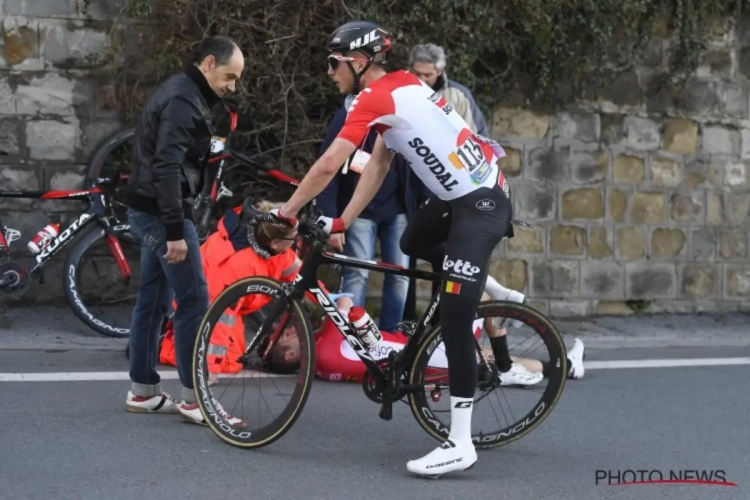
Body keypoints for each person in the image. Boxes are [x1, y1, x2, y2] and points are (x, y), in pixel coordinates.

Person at [271, 20, 516, 476]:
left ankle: (460, 442)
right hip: (454, 200)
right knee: (412, 240)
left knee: (457, 318)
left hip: (481, 205)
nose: (329, 72)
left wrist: (286, 212)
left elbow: (329, 164)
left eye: (333, 63)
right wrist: (343, 219)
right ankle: (469, 277)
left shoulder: (376, 97)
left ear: (358, 62)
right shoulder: (399, 86)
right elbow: (379, 164)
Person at [123, 35, 245, 420]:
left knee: (153, 298)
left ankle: (142, 391)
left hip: (149, 209)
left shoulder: (182, 92)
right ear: (208, 63)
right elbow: (167, 167)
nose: (232, 86)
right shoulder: (182, 100)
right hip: (164, 215)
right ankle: (197, 399)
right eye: (229, 76)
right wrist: (175, 230)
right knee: (193, 301)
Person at [316, 95, 430, 333]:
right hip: (359, 214)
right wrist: (332, 219)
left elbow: (420, 166)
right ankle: (352, 338)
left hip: (398, 212)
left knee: (400, 275)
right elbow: (329, 173)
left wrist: (423, 206)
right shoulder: (347, 124)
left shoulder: (399, 125)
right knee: (357, 274)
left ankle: (390, 337)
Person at [408, 43, 488, 137]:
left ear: (439, 71)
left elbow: (477, 134)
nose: (421, 79)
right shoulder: (399, 91)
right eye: (416, 73)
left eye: (428, 75)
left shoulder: (458, 95)